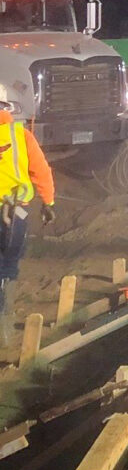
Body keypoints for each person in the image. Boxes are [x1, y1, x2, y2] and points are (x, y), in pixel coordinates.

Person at [0, 84, 55, 336]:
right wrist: (48, 202)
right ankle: (4, 322)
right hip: (14, 212)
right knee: (9, 264)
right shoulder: (21, 135)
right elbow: (41, 171)